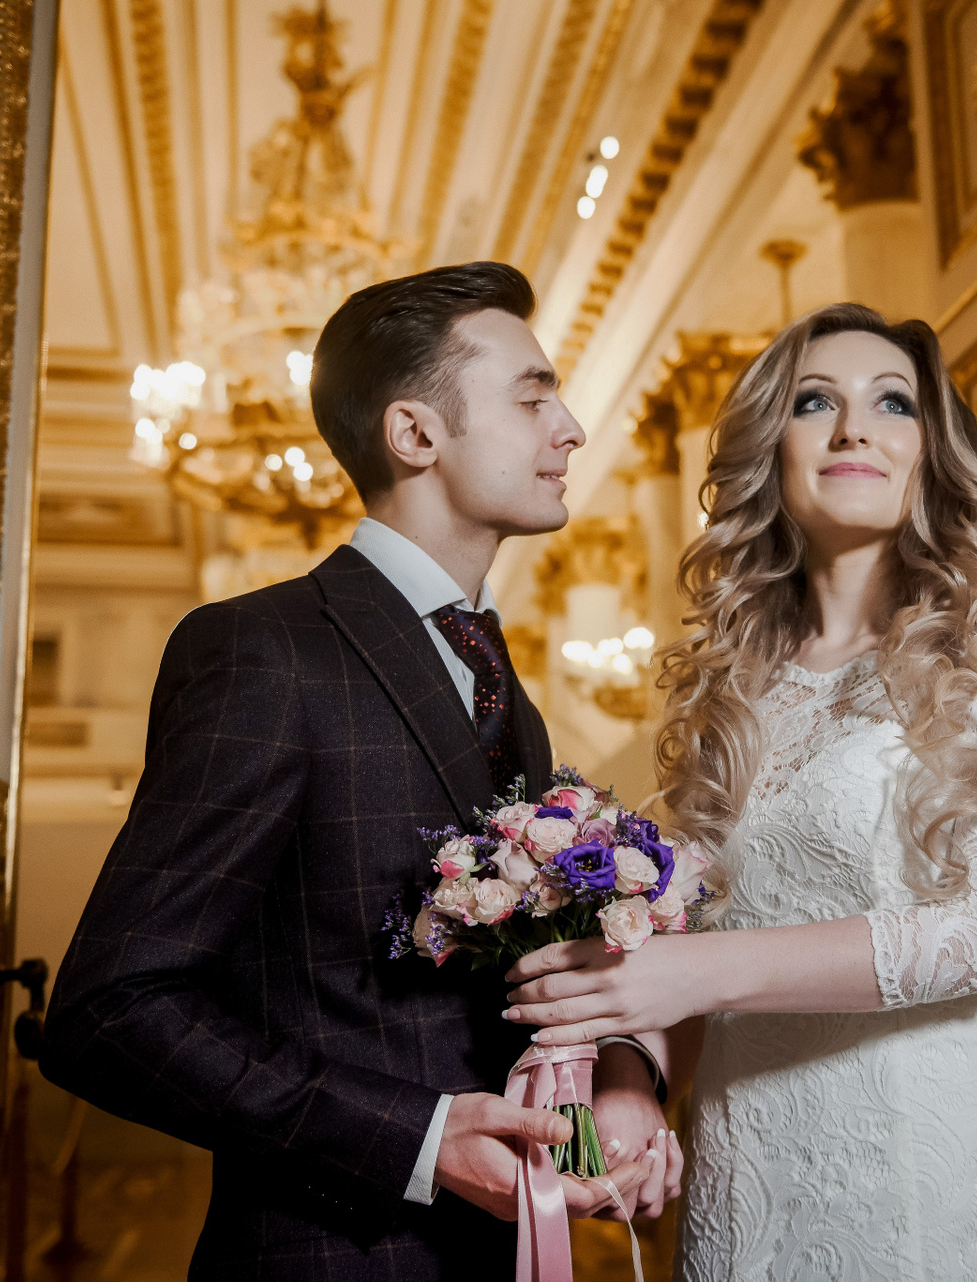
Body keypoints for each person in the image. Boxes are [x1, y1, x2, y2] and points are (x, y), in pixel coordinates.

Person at [41, 261, 679, 1279]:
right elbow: (110, 1012)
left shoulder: (502, 684)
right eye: (532, 397)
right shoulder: (263, 650)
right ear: (414, 433)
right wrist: (421, 1142)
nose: (571, 429)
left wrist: (620, 1076)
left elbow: (521, 978)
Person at [504, 303, 977, 1279]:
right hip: (741, 1170)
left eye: (893, 402)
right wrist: (633, 1078)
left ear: (933, 453)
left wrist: (698, 972)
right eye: (816, 402)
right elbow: (680, 937)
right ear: (771, 451)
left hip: (924, 1165)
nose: (854, 427)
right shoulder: (724, 693)